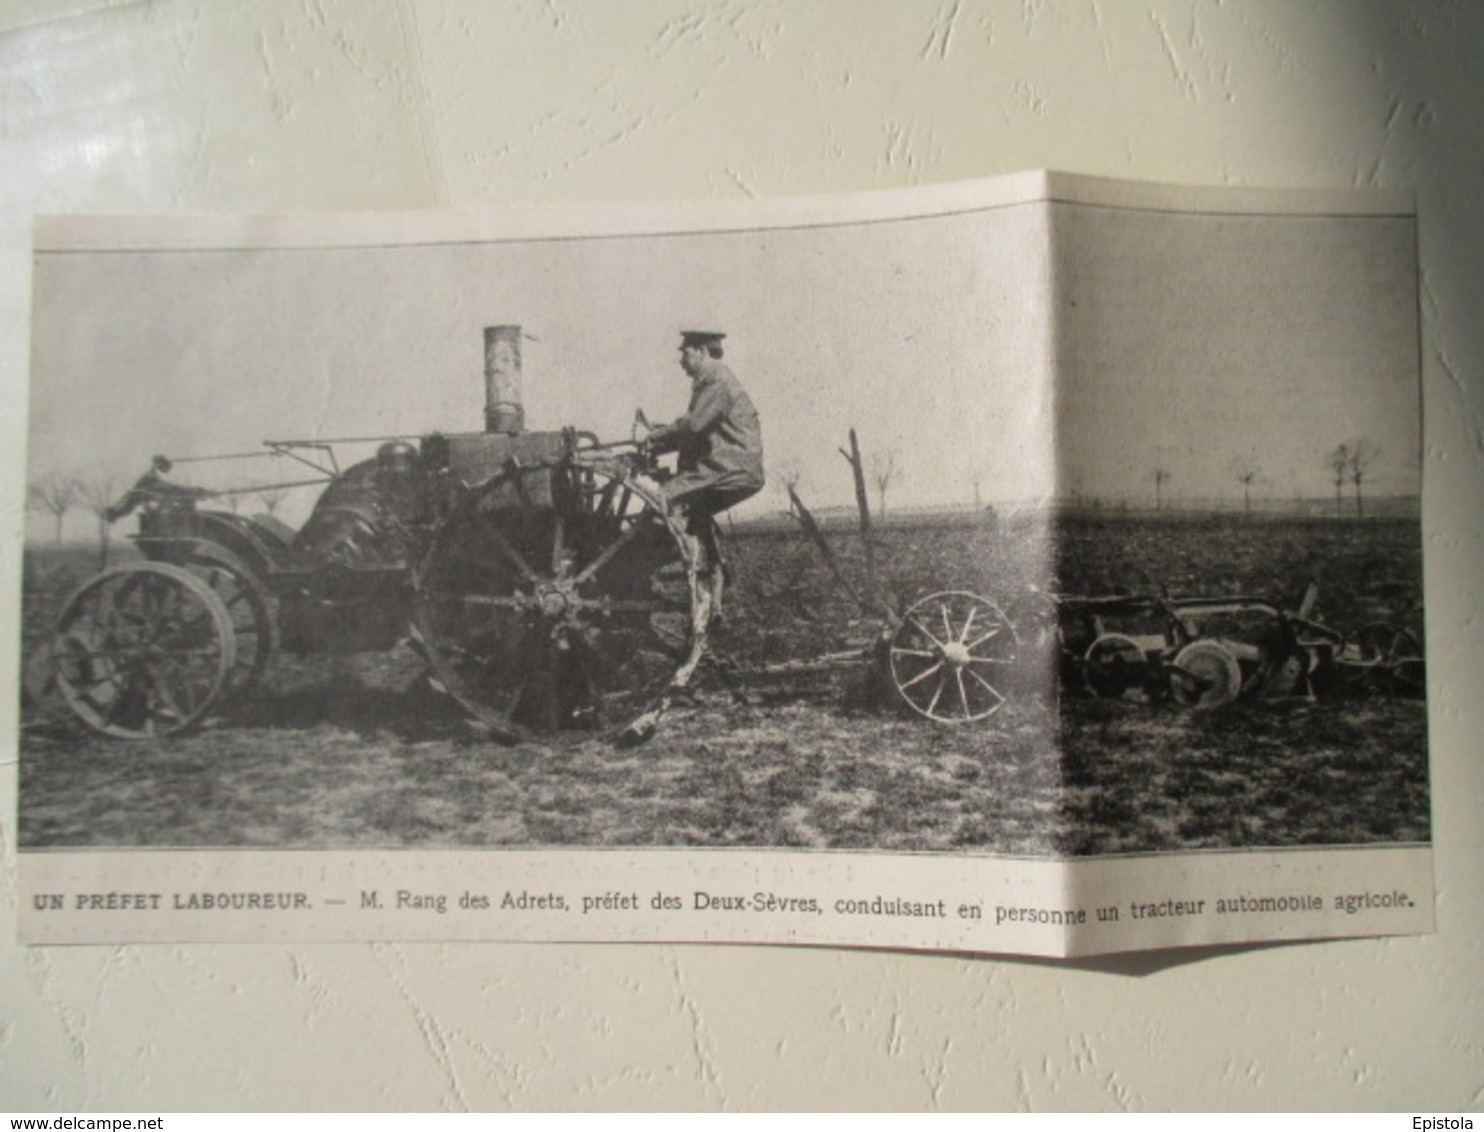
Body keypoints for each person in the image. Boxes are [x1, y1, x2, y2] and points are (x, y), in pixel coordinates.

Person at [642, 329, 764, 644]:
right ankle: (713, 605)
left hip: (728, 466)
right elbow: (692, 429)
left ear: (701, 352)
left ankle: (645, 566)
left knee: (661, 498)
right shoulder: (711, 382)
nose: (681, 361)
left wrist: (651, 437)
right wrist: (655, 441)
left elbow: (693, 426)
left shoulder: (717, 380)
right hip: (727, 465)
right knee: (695, 521)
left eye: (685, 353)